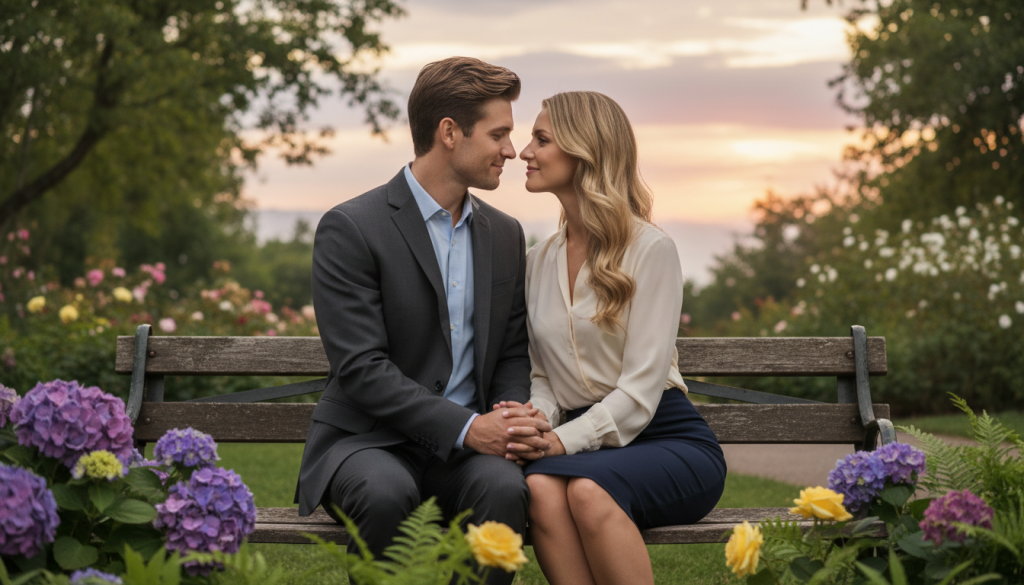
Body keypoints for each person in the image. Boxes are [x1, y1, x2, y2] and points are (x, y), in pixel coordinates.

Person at [294, 57, 552, 585]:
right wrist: (467, 428)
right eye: (499, 133)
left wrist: (505, 420)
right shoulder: (351, 228)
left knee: (504, 488)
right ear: (450, 133)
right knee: (386, 492)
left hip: (470, 450)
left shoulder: (505, 235)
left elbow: (508, 349)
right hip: (368, 441)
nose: (510, 149)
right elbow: (362, 368)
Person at [504, 91, 728, 585]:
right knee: (541, 488)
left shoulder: (651, 250)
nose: (524, 152)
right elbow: (543, 376)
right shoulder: (537, 261)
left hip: (666, 437)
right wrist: (536, 423)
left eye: (541, 139)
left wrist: (559, 442)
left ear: (584, 151)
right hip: (583, 448)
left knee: (585, 490)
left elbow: (642, 390)